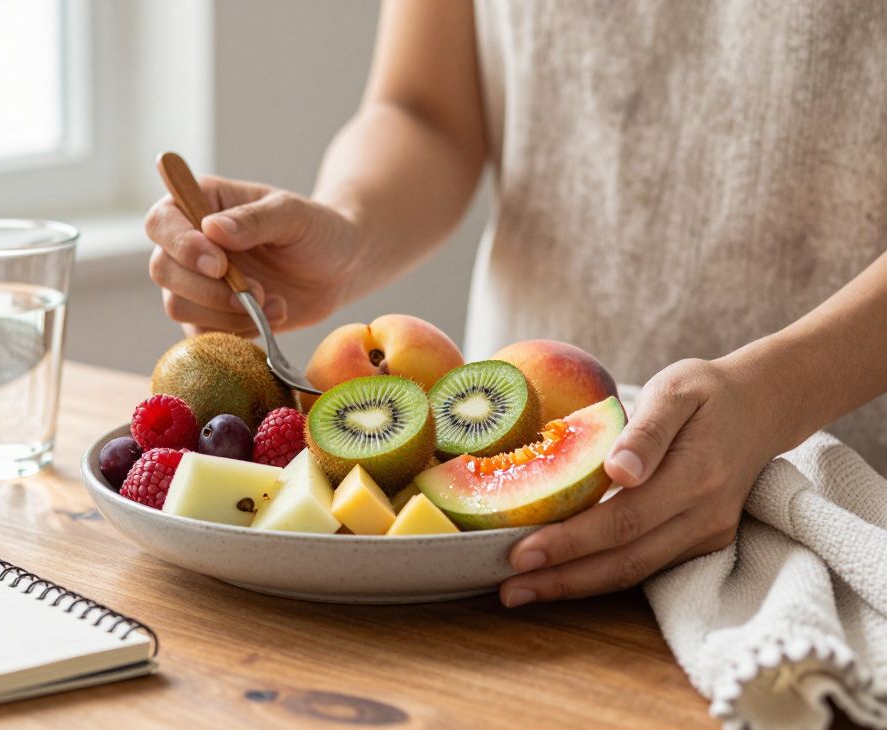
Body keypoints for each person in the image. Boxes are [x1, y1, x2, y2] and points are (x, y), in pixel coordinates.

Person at [143, 1, 887, 608]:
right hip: (486, 528)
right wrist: (351, 231)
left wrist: (778, 394)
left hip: (847, 491)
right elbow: (426, 109)